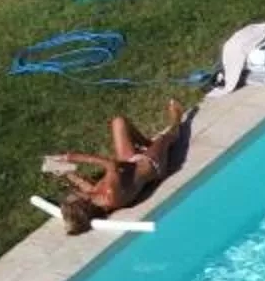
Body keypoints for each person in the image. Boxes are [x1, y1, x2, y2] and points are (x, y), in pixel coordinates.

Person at [44, 100, 189, 233]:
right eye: (73, 197)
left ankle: (147, 144)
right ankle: (177, 118)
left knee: (118, 122)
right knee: (167, 137)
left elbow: (81, 182)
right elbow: (110, 164)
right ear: (84, 203)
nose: (72, 194)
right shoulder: (110, 195)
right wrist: (71, 157)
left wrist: (61, 170)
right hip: (152, 165)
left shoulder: (95, 198)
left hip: (129, 163)